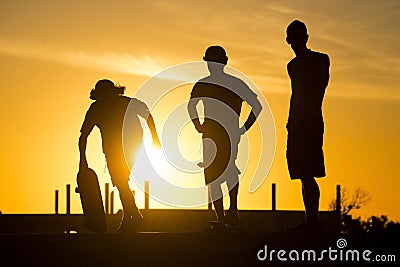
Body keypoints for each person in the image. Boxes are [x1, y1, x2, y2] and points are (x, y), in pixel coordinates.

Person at [188, 46, 262, 227]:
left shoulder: (214, 83)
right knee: (218, 174)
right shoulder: (216, 83)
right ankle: (225, 216)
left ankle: (230, 213)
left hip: (222, 134)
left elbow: (257, 106)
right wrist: (199, 125)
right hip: (216, 134)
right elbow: (191, 106)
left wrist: (243, 128)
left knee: (224, 173)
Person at [79, 79, 161, 232]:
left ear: (113, 94)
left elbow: (146, 113)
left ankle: (132, 217)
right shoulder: (96, 109)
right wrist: (82, 161)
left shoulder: (126, 103)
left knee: (120, 180)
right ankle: (133, 216)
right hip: (111, 149)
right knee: (120, 181)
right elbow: (83, 136)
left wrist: (155, 137)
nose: (106, 100)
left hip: (131, 145)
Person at [285, 20, 330, 230]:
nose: (297, 41)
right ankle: (310, 219)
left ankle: (313, 219)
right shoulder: (292, 66)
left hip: (310, 121)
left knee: (308, 171)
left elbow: (317, 89)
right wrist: (290, 121)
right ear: (288, 40)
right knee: (302, 173)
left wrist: (307, 116)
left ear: (306, 37)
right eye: (293, 37)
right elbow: (296, 94)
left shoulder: (321, 60)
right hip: (296, 122)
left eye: (300, 35)